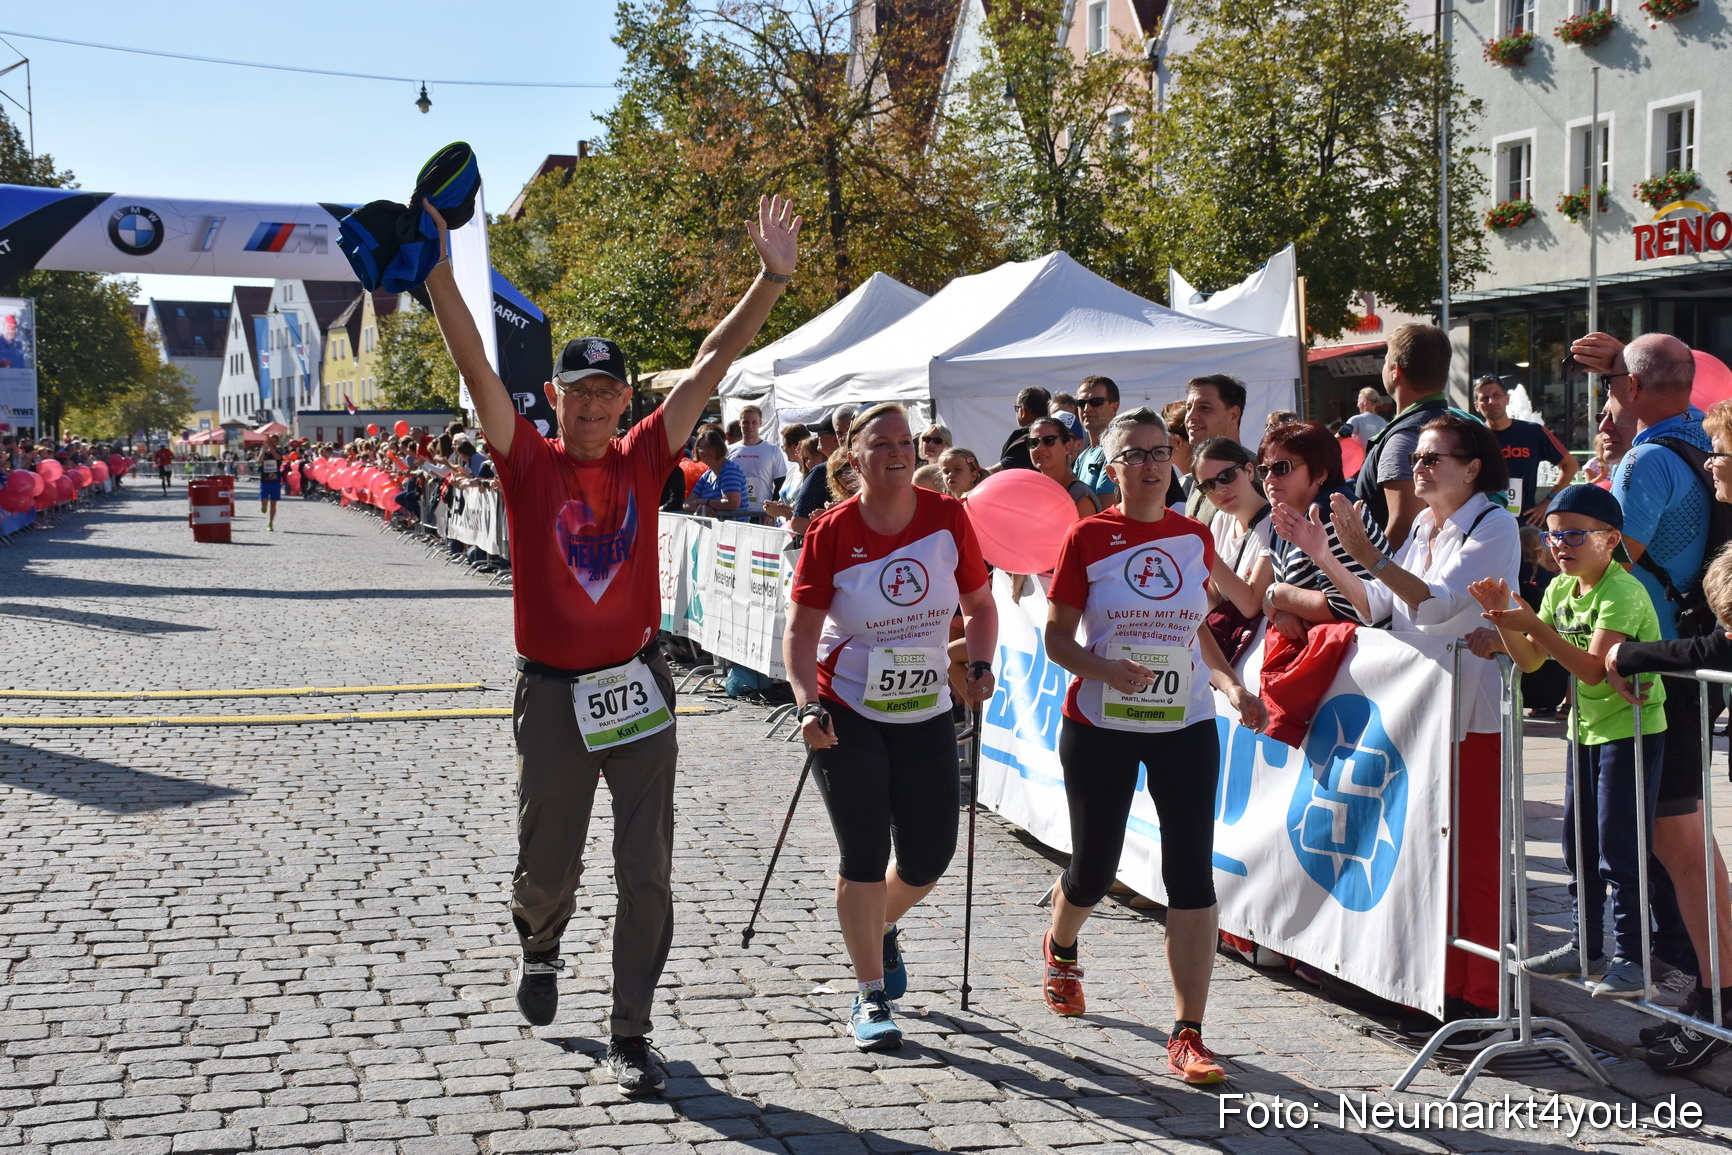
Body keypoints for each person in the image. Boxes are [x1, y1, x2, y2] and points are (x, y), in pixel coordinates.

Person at [420, 192, 801, 1096]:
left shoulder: (642, 455)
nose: (593, 405)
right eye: (577, 390)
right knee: (546, 864)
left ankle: (632, 1029)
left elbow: (713, 362)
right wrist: (436, 269)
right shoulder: (527, 461)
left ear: (624, 398)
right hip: (553, 692)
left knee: (648, 870)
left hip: (636, 686)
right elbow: (475, 363)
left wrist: (771, 279)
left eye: (607, 391)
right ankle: (541, 942)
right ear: (555, 397)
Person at [1038, 406, 1266, 1084]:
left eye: (1159, 451)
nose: (1150, 463)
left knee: (1191, 874)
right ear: (1113, 470)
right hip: (1101, 722)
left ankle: (1188, 1032)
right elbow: (1056, 639)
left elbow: (1196, 627)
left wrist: (1228, 683)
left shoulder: (1194, 537)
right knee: (1096, 867)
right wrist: (1107, 669)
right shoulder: (1088, 537)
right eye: (1134, 454)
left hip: (1184, 724)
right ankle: (1061, 942)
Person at [1285, 413, 1521, 1041]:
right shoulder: (1421, 523)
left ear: (1471, 468)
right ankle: (1427, 983)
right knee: (1421, 850)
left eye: (1433, 457)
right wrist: (1328, 558)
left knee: (1471, 855)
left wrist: (1369, 556)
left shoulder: (1494, 525)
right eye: (1415, 457)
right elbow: (1379, 607)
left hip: (1469, 712)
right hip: (1415, 715)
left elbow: (1440, 604)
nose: (1418, 468)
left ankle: (1476, 994)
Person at [784, 403, 998, 1052]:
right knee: (865, 853)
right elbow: (799, 632)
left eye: (907, 441)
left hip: (926, 707)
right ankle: (870, 992)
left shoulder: (947, 516)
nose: (900, 452)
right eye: (883, 443)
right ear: (853, 459)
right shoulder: (831, 530)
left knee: (932, 853)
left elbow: (980, 604)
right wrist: (804, 703)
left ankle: (876, 924)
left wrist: (982, 662)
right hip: (845, 709)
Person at [1576, 329, 1728, 1023]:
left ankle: (1703, 983)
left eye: (1617, 386)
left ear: (1633, 389)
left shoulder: (1643, 461)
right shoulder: (1702, 437)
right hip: (1691, 656)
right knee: (1682, 832)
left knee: (1671, 835)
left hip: (1655, 664)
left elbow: (1608, 562)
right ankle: (1708, 980)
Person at [1470, 484, 1674, 1000]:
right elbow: (1533, 662)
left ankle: (1632, 956)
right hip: (1584, 732)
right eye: (1552, 536)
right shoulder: (1561, 590)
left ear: (1609, 540)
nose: (1560, 546)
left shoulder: (1623, 592)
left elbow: (1590, 673)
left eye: (1575, 535)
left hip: (1629, 733)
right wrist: (1506, 619)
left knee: (1619, 850)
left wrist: (1529, 622)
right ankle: (1585, 945)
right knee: (1577, 845)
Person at [1604, 396, 1732, 1069]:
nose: (1711, 461)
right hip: (1685, 696)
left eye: (1722, 453)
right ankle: (1716, 994)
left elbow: (1723, 646)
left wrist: (1634, 654)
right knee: (1679, 843)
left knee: (1681, 843)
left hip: (1686, 692)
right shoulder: (1724, 510)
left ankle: (1717, 1000)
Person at [1261, 421, 1389, 638]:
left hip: (1371, 654)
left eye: (1282, 467)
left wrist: (1277, 595)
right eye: (1264, 470)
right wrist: (1282, 612)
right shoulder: (1283, 515)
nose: (1269, 479)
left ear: (1320, 473)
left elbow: (1350, 608)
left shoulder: (1331, 512)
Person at [1357, 324, 1455, 549]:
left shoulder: (1405, 437)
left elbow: (1404, 527)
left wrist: (1369, 578)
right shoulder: (1459, 424)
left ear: (1395, 370)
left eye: (1385, 361)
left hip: (1401, 578)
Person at [1191, 439, 1272, 656]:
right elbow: (1216, 595)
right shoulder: (1221, 520)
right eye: (1207, 485)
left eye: (1226, 476)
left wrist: (1204, 546)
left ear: (1249, 470)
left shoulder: (1275, 523)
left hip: (1259, 646)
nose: (1219, 490)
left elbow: (1250, 604)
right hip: (1230, 644)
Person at [1472, 375, 1579, 522]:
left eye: (1497, 395)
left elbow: (1570, 465)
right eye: (1484, 398)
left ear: (1507, 398)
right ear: (1476, 405)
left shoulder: (1534, 432)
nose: (1492, 401)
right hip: (1483, 523)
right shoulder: (1472, 437)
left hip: (1524, 523)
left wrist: (1549, 501)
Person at [1182, 375, 1248, 526]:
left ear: (1233, 414)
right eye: (1188, 408)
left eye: (1204, 408)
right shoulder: (1201, 470)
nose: (1190, 416)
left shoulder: (1249, 471)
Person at [1028, 416, 1101, 519]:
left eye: (1049, 440)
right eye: (1033, 442)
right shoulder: (1030, 490)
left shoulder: (1079, 495)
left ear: (1066, 447)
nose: (1040, 448)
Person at [788, 413, 842, 536]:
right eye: (806, 458)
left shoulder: (820, 472)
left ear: (836, 438)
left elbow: (799, 523)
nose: (818, 438)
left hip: (829, 546)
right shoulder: (863, 467)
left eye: (821, 434)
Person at [728, 404, 784, 518]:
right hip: (735, 514)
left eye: (754, 422)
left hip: (762, 514)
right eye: (746, 422)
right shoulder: (729, 451)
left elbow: (780, 483)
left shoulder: (773, 449)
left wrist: (772, 512)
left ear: (760, 423)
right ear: (740, 423)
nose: (750, 426)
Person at [1073, 375, 1121, 505]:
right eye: (1081, 403)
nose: (1087, 409)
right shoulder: (1082, 457)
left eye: (1096, 402)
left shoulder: (1116, 452)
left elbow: (1106, 512)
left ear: (1114, 407)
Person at [685, 429, 746, 520]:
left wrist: (705, 502)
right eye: (700, 448)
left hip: (732, 531)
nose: (704, 451)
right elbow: (686, 503)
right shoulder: (707, 475)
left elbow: (732, 504)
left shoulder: (730, 470)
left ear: (718, 447)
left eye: (709, 447)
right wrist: (701, 507)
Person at [995, 387, 1049, 472]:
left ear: (1024, 411)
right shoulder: (1061, 435)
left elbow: (998, 471)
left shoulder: (1025, 440)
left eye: (1016, 407)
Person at [257, 445, 284, 531]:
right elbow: (258, 462)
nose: (271, 443)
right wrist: (263, 450)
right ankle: (264, 506)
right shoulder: (262, 452)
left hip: (275, 482)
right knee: (264, 501)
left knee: (273, 504)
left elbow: (278, 457)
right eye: (270, 442)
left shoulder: (278, 451)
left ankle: (271, 523)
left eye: (273, 442)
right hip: (265, 481)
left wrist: (272, 448)